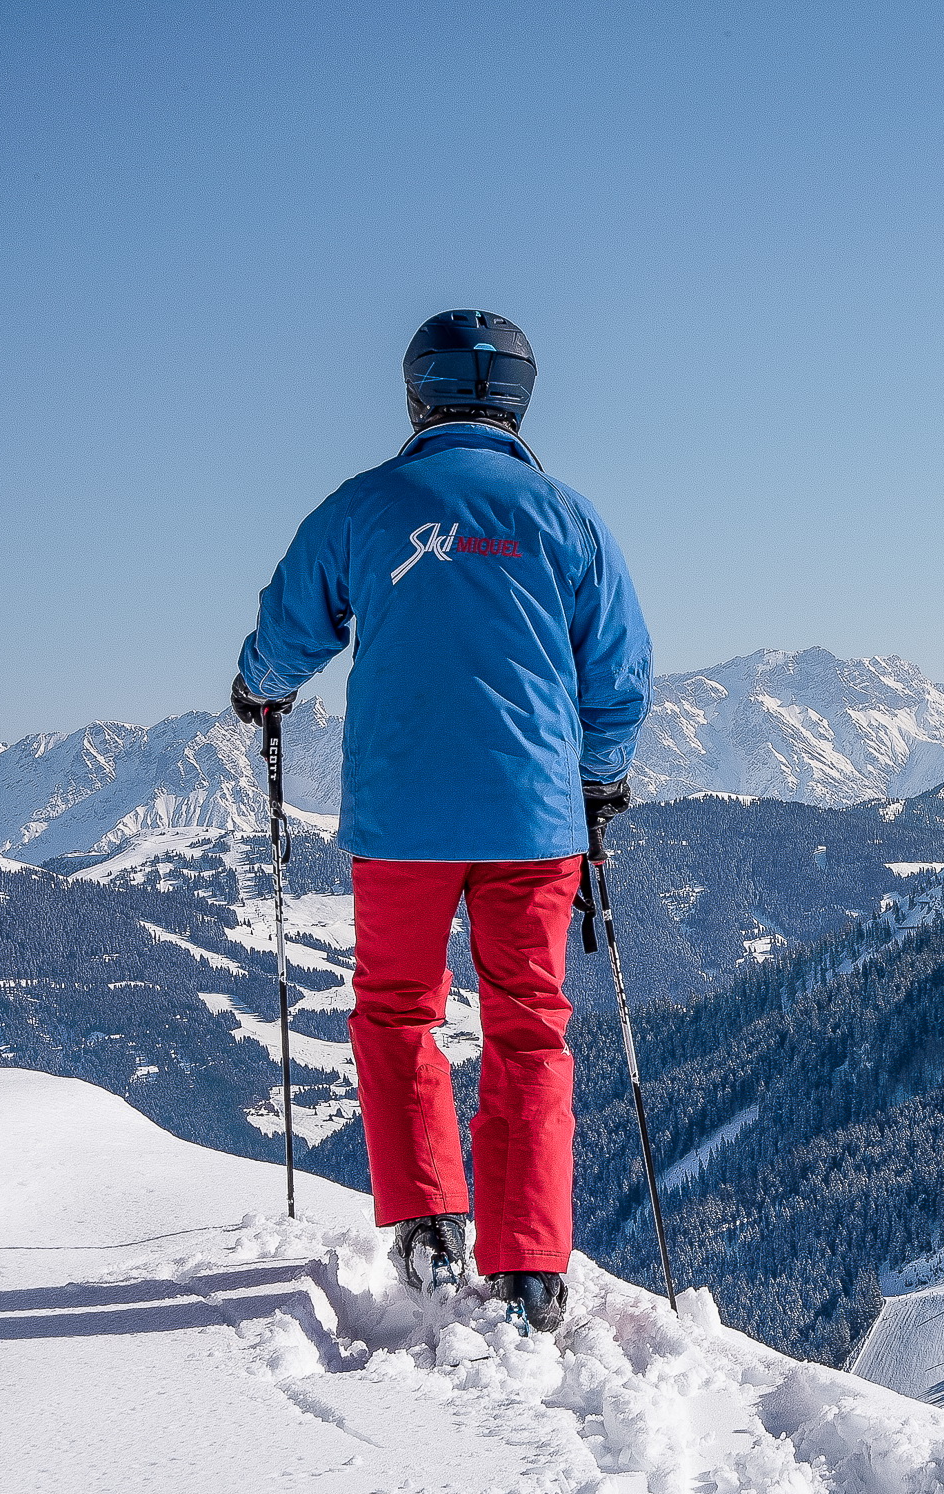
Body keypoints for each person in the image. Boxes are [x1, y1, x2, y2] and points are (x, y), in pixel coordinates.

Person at [230, 310, 651, 1334]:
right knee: (528, 1025)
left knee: (395, 1010)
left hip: (402, 815)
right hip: (533, 817)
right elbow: (619, 675)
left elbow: (289, 629)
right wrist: (595, 781)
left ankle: (425, 1220)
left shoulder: (365, 506)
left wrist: (259, 689)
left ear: (417, 393)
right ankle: (530, 1263)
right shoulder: (566, 516)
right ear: (519, 398)